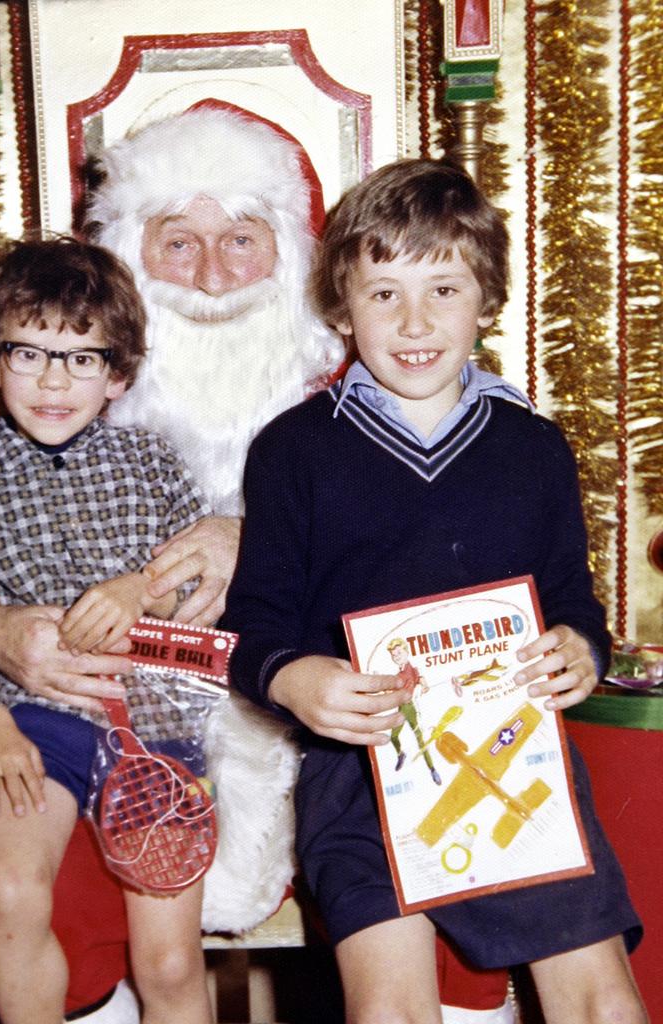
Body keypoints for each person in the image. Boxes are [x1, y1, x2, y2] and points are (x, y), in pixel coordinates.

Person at [0, 109, 515, 1022]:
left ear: (296, 260)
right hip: (117, 724)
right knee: (51, 872)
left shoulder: (371, 395)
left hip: (334, 719)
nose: (212, 279)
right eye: (177, 244)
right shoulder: (61, 393)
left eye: (243, 242)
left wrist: (252, 536)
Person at [220, 158, 648, 1023]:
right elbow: (252, 629)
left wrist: (579, 648)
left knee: (601, 1000)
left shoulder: (532, 447)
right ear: (341, 303)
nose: (414, 322)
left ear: (486, 297)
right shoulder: (293, 451)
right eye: (383, 294)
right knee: (391, 1011)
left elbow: (572, 598)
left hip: (510, 751)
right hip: (357, 769)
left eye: (444, 289)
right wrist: (296, 679)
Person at [0, 236, 215, 1024]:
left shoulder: (154, 464)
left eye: (80, 359)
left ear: (117, 375)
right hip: (30, 726)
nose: (52, 380)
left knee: (170, 961)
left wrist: (142, 589)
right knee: (8, 889)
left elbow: (199, 586)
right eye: (29, 354)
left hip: (154, 729)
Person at [386, 638, 440, 782]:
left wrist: (424, 685)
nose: (396, 656)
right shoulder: (403, 672)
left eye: (399, 653)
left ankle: (432, 769)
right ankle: (401, 754)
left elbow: (417, 678)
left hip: (410, 709)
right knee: (393, 737)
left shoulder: (406, 673)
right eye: (393, 655)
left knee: (420, 740)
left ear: (406, 652)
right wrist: (424, 684)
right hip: (401, 708)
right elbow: (420, 678)